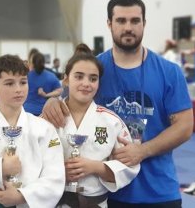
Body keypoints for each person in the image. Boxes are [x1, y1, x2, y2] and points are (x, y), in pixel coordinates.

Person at [42, 0, 193, 207]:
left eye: (135, 20)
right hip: (106, 193)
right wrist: (53, 101)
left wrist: (143, 150)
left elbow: (185, 127)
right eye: (121, 21)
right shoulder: (95, 70)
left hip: (158, 190)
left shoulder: (169, 71)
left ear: (144, 23)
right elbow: (69, 100)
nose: (128, 27)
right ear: (109, 24)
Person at [0, 54, 65, 208]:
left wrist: (21, 196)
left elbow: (55, 179)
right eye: (9, 83)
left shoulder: (44, 129)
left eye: (23, 82)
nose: (18, 90)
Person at [56, 53, 140, 208]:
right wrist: (57, 173)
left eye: (93, 79)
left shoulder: (111, 121)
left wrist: (96, 167)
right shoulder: (50, 117)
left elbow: (130, 165)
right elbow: (33, 160)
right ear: (66, 79)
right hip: (55, 201)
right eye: (79, 77)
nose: (86, 83)